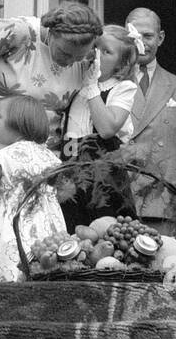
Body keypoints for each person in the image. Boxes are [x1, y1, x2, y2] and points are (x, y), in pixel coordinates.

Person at [0, 0, 103, 278]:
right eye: (64, 52)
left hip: (39, 153)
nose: (70, 62)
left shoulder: (87, 53)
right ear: (52, 33)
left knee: (30, 234)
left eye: (78, 57)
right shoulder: (19, 32)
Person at [59, 23, 140, 229]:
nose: (97, 55)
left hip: (103, 173)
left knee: (105, 226)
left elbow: (107, 128)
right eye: (95, 48)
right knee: (71, 225)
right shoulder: (76, 81)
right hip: (70, 164)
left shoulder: (122, 87)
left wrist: (92, 86)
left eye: (107, 52)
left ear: (121, 65)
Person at [0, 96, 67, 282]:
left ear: (17, 123)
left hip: (13, 229)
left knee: (10, 275)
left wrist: (3, 205)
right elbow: (60, 192)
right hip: (49, 231)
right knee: (46, 276)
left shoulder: (3, 155)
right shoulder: (52, 159)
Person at [123, 7, 176, 234]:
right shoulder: (108, 85)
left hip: (165, 199)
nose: (141, 43)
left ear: (160, 38)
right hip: (121, 197)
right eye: (135, 36)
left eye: (148, 36)